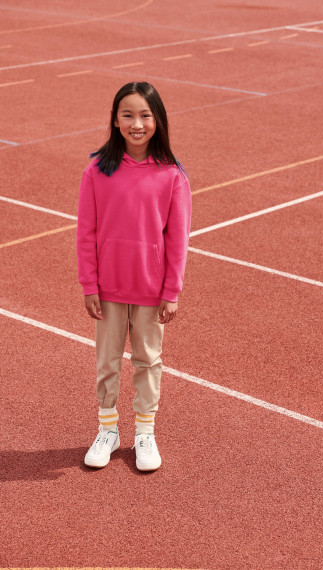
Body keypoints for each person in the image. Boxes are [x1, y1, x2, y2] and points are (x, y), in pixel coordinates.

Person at [77, 82, 191, 471]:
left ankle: (145, 432)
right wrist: (88, 284)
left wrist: (171, 290)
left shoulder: (172, 174)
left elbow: (177, 238)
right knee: (106, 361)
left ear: (158, 120)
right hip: (107, 288)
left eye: (145, 115)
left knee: (147, 361)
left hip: (150, 287)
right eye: (128, 115)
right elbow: (86, 231)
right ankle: (108, 430)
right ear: (115, 119)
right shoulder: (97, 169)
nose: (137, 123)